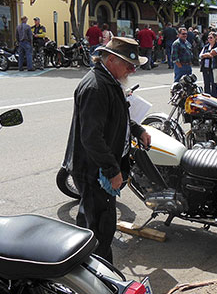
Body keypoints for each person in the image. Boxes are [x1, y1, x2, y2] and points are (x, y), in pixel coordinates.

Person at [62, 37, 150, 264]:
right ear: (111, 60)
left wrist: (137, 129)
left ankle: (91, 268)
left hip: (98, 167)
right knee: (100, 228)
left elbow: (116, 118)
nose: (132, 70)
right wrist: (112, 171)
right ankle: (100, 274)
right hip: (93, 170)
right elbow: (92, 137)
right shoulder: (97, 87)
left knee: (94, 220)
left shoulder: (109, 81)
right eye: (129, 65)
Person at [199, 31, 217, 98]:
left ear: (215, 38)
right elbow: (200, 55)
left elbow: (215, 55)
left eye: (211, 38)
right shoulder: (206, 46)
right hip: (205, 67)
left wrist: (209, 55)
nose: (209, 39)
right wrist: (206, 55)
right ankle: (207, 98)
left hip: (213, 68)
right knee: (206, 83)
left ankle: (215, 98)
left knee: (214, 84)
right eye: (208, 38)